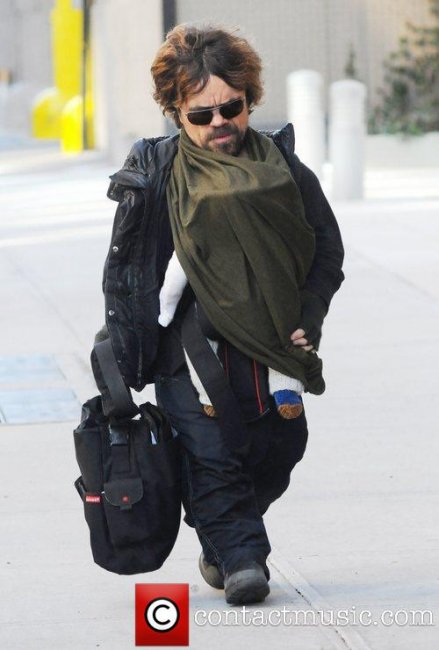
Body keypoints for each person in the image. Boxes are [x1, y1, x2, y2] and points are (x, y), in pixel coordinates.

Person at [100, 23, 344, 605]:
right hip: (187, 344)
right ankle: (242, 561)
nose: (219, 123)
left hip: (271, 339)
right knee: (212, 453)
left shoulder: (284, 169)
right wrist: (128, 344)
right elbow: (127, 269)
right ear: (175, 112)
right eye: (201, 114)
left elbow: (326, 251)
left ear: (249, 98)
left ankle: (221, 537)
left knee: (280, 448)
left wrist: (308, 315)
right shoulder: (157, 176)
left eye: (230, 107)